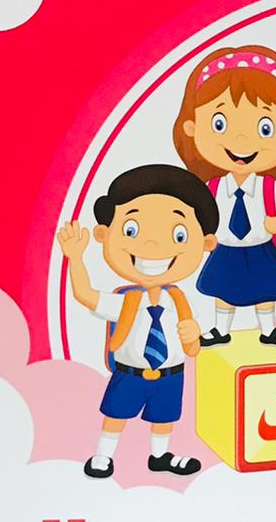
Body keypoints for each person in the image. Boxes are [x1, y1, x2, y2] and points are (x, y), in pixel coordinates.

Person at [57, 164, 218, 479]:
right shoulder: (125, 300)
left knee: (164, 418)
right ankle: (103, 456)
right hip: (130, 373)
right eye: (131, 230)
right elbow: (86, 295)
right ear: (104, 234)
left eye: (179, 235)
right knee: (116, 414)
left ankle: (160, 456)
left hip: (171, 373)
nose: (153, 247)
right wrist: (75, 257)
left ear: (205, 243)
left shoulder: (179, 300)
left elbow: (192, 344)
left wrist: (193, 334)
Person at [172, 45, 276, 347]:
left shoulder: (268, 187)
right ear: (193, 128)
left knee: (266, 291)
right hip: (225, 248)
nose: (240, 139)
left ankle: (269, 330)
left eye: (265, 127)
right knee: (223, 291)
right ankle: (220, 329)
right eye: (220, 124)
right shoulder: (213, 187)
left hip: (260, 248)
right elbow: (201, 218)